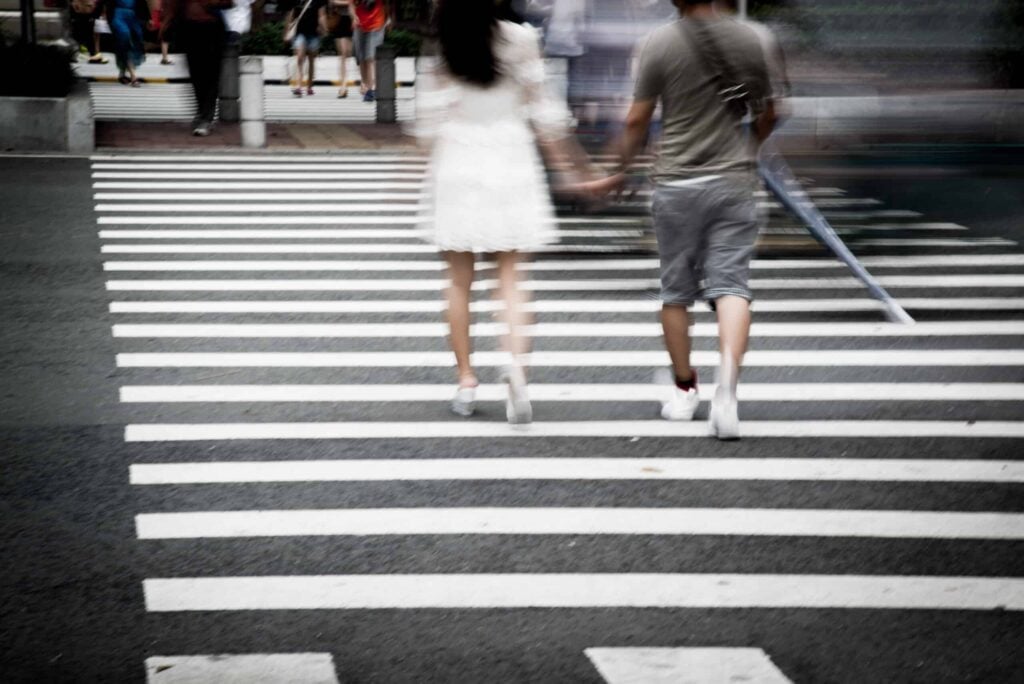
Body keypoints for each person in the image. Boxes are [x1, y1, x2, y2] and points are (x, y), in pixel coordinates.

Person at [587, 0, 782, 439]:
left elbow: (638, 116)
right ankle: (727, 392)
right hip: (734, 180)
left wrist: (621, 165)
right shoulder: (754, 38)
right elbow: (771, 111)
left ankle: (684, 389)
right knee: (731, 285)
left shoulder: (658, 42)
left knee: (676, 292)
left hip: (676, 182)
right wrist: (748, 145)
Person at [415, 0, 597, 425]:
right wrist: (572, 167)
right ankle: (516, 368)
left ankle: (465, 380)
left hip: (458, 157)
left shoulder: (443, 43)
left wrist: (414, 167)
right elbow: (544, 112)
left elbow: (427, 122)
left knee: (459, 280)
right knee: (511, 277)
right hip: (511, 155)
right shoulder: (521, 38)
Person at [161, 0, 233, 135]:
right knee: (196, 75)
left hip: (211, 28)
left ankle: (206, 117)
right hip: (190, 28)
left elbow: (228, 2)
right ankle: (202, 113)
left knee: (211, 75)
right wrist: (166, 23)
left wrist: (211, 3)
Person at [285, 0, 327, 96]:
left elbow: (322, 15)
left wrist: (324, 28)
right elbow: (292, 15)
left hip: (314, 33)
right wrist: (287, 31)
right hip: (300, 32)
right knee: (300, 58)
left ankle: (309, 86)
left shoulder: (319, 2)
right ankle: (299, 86)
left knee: (311, 60)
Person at [351, 0, 388, 102]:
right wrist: (353, 16)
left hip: (376, 24)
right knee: (362, 58)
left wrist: (390, 18)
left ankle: (373, 88)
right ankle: (366, 85)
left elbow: (387, 4)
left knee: (371, 57)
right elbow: (351, 4)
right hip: (360, 26)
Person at [105, 0, 148, 86]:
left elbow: (142, 3)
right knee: (124, 36)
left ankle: (123, 72)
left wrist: (148, 18)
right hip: (118, 15)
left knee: (134, 43)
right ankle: (133, 77)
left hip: (133, 16)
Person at [328, 0, 354, 98]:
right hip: (339, 19)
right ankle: (343, 85)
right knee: (343, 54)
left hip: (354, 18)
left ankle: (364, 83)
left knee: (351, 54)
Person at [148, 0, 175, 64]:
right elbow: (157, 9)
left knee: (165, 39)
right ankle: (164, 58)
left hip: (165, 18)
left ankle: (164, 58)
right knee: (165, 38)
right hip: (163, 18)